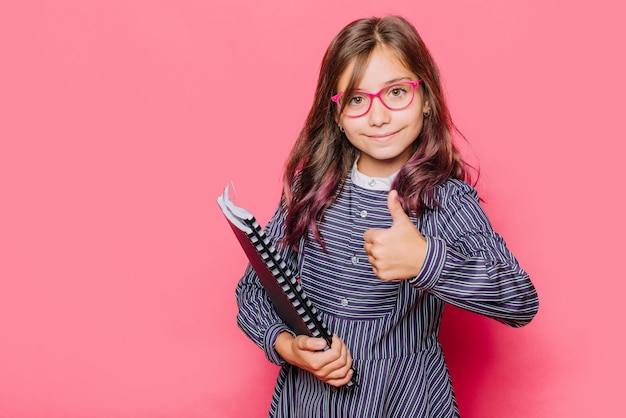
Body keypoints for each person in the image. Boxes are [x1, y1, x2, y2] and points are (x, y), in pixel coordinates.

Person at [234, 15, 539, 418]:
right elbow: (253, 291)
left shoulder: (445, 200)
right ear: (337, 115)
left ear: (427, 98)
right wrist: (287, 346)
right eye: (357, 100)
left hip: (407, 402)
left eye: (396, 92)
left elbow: (520, 300)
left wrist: (426, 262)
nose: (378, 117)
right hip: (308, 404)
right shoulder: (311, 187)